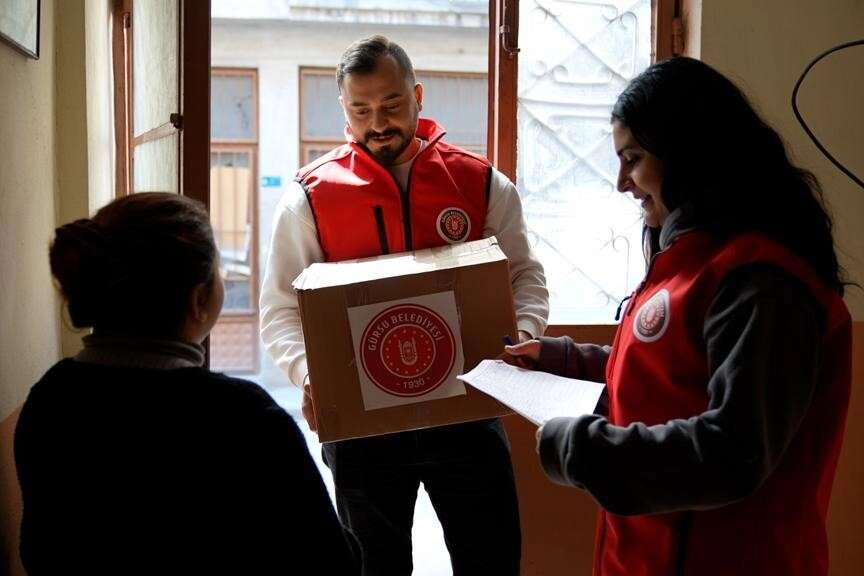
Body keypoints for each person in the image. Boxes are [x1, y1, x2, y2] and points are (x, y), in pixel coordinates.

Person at [504, 56, 853, 576]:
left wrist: (581, 448)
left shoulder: (762, 283)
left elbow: (732, 452)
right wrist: (561, 359)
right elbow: (669, 368)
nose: (622, 182)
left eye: (635, 157)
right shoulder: (693, 262)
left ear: (690, 153)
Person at [260, 35, 548, 575]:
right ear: (343, 110)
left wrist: (518, 339)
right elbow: (280, 308)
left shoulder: (480, 183)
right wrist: (309, 374)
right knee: (373, 568)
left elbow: (525, 276)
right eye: (361, 110)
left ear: (418, 95)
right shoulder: (309, 197)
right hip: (363, 426)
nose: (378, 123)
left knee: (490, 559)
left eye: (391, 105)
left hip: (468, 408)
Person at [15, 193, 358, 574]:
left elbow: (39, 551)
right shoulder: (241, 417)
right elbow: (330, 562)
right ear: (199, 300)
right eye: (219, 273)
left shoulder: (51, 397)